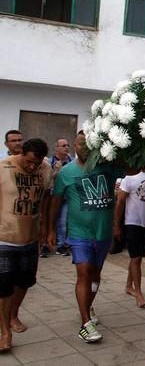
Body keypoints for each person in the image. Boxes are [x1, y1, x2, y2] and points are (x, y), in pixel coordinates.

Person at [49, 133, 123, 343]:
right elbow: (55, 202)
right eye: (81, 143)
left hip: (103, 233)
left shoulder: (107, 167)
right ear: (74, 145)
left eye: (89, 144)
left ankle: (88, 306)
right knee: (83, 273)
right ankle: (85, 323)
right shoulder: (66, 172)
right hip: (79, 233)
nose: (85, 148)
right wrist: (51, 231)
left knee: (95, 274)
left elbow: (132, 170)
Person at [0, 138, 52, 352]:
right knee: (3, 288)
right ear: (22, 152)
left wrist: (48, 229)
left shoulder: (46, 169)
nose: (32, 167)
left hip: (30, 239)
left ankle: (13, 315)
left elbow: (47, 200)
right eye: (29, 162)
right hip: (4, 238)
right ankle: (5, 332)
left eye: (36, 163)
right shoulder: (4, 168)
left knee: (24, 283)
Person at [113, 168, 145, 308]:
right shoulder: (129, 178)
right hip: (132, 223)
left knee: (138, 256)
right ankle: (138, 293)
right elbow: (120, 202)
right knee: (136, 258)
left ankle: (128, 285)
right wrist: (116, 226)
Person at [47, 138, 73, 257]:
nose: (66, 147)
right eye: (63, 145)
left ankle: (63, 244)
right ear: (56, 148)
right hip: (54, 196)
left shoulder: (72, 161)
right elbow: (48, 179)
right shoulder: (49, 161)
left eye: (67, 145)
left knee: (64, 221)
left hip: (68, 196)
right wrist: (56, 171)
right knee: (52, 220)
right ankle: (51, 243)